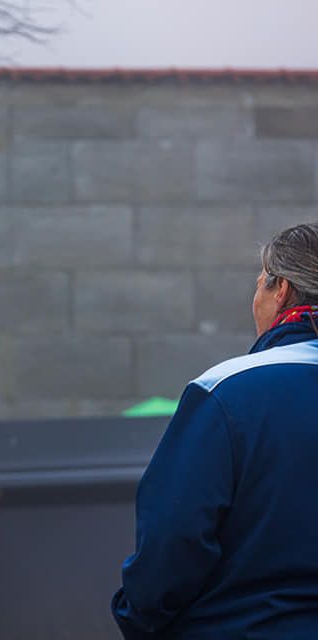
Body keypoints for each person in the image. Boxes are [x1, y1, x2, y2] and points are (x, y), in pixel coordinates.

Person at [112, 223, 318, 638]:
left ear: (280, 292)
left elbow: (172, 541)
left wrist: (136, 617)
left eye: (260, 284)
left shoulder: (227, 391)